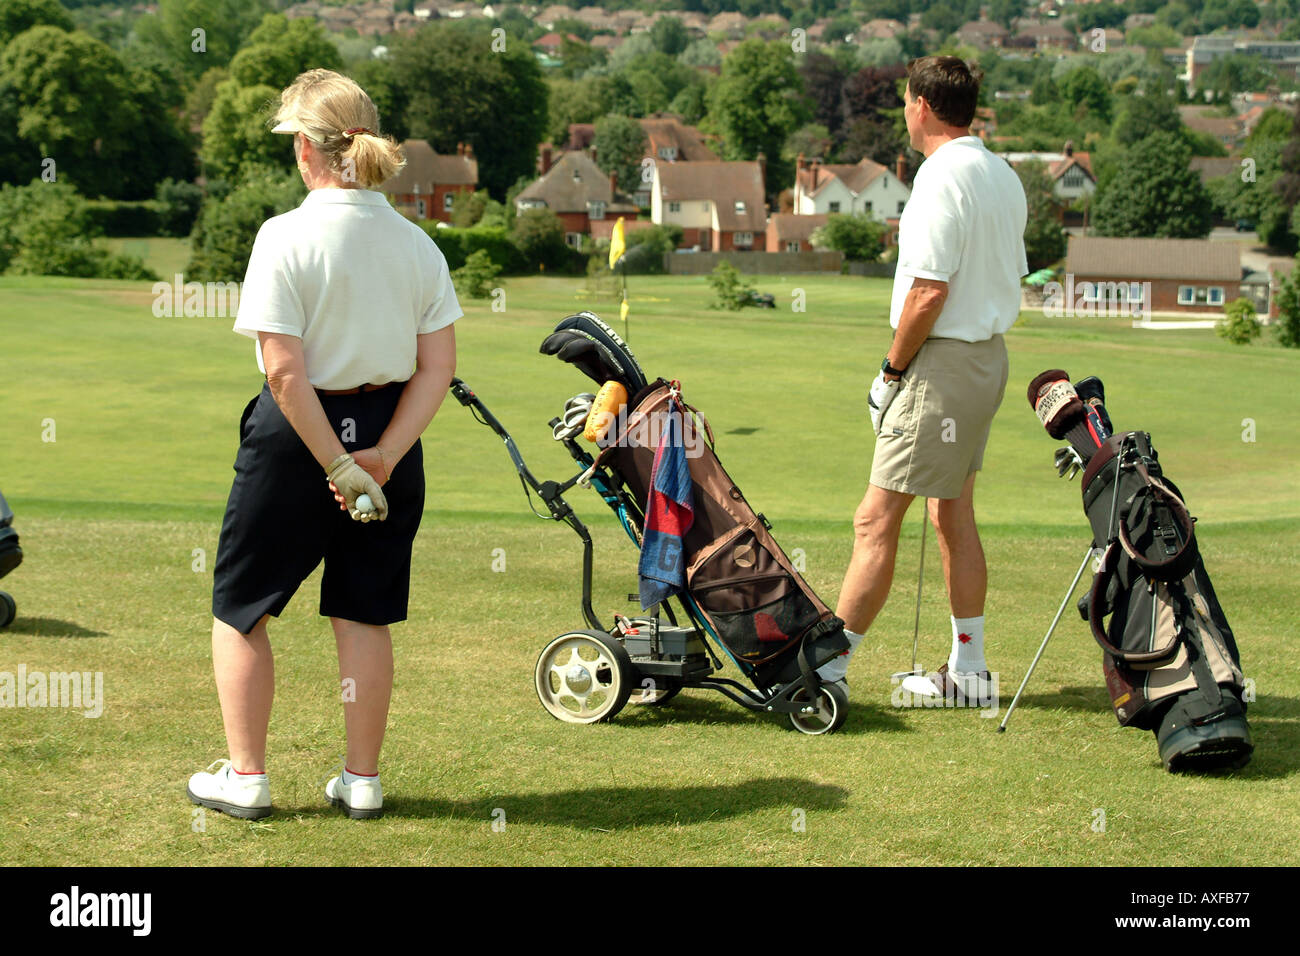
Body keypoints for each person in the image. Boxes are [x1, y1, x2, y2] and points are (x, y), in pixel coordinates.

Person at [187, 69, 461, 820]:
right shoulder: (416, 245)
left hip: (296, 439)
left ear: (308, 149)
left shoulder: (283, 235)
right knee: (364, 611)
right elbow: (438, 368)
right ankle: (362, 781)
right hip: (388, 435)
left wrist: (336, 462)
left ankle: (247, 778)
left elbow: (283, 372)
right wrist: (382, 455)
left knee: (243, 607)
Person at [818, 56, 1027, 704]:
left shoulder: (940, 177)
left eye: (907, 102)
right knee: (951, 514)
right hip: (987, 358)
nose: (905, 111)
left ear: (923, 106)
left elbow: (928, 293)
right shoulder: (1001, 173)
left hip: (942, 364)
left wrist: (890, 372)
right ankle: (969, 672)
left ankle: (824, 671)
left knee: (875, 520)